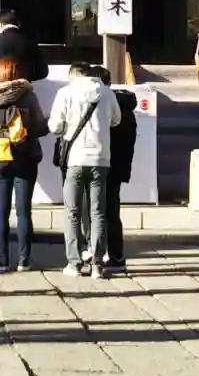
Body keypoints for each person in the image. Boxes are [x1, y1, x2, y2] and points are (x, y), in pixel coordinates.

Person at [49, 62, 120, 280]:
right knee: (98, 213)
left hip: (75, 160)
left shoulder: (65, 93)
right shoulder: (107, 93)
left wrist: (67, 127)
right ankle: (97, 264)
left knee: (72, 212)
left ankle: (74, 263)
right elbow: (116, 120)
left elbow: (54, 127)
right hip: (100, 159)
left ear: (73, 76)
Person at [0, 57, 48, 273]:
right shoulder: (27, 96)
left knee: (1, 210)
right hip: (25, 156)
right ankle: (24, 261)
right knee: (23, 211)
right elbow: (40, 126)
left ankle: (1, 260)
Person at [107, 88, 139, 276]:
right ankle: (116, 255)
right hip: (119, 170)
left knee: (107, 213)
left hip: (109, 168)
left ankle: (114, 255)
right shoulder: (130, 118)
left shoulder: (116, 120)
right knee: (112, 212)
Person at [0, 9, 48, 85]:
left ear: (0, 24)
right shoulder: (30, 41)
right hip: (23, 89)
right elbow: (42, 72)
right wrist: (26, 77)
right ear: (18, 24)